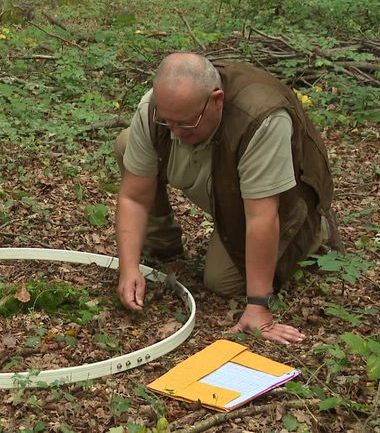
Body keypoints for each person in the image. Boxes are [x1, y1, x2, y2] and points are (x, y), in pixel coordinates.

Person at [114, 52, 340, 345]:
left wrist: (259, 306)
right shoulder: (158, 109)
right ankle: (163, 245)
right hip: (219, 173)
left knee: (222, 281)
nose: (175, 133)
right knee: (128, 143)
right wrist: (129, 267)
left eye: (185, 123)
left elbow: (262, 216)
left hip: (271, 195)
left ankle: (314, 231)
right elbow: (134, 196)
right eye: (168, 122)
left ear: (217, 100)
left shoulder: (261, 118)